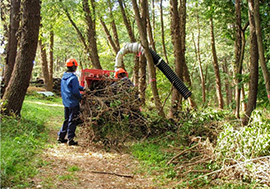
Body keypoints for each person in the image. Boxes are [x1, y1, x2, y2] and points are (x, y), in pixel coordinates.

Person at [57, 58, 84, 145]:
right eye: (75, 66)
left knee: (66, 119)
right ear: (73, 67)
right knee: (72, 120)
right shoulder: (73, 78)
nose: (76, 68)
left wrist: (83, 88)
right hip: (73, 103)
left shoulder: (64, 77)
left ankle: (61, 137)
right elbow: (75, 91)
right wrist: (81, 97)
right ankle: (70, 139)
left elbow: (75, 86)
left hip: (66, 102)